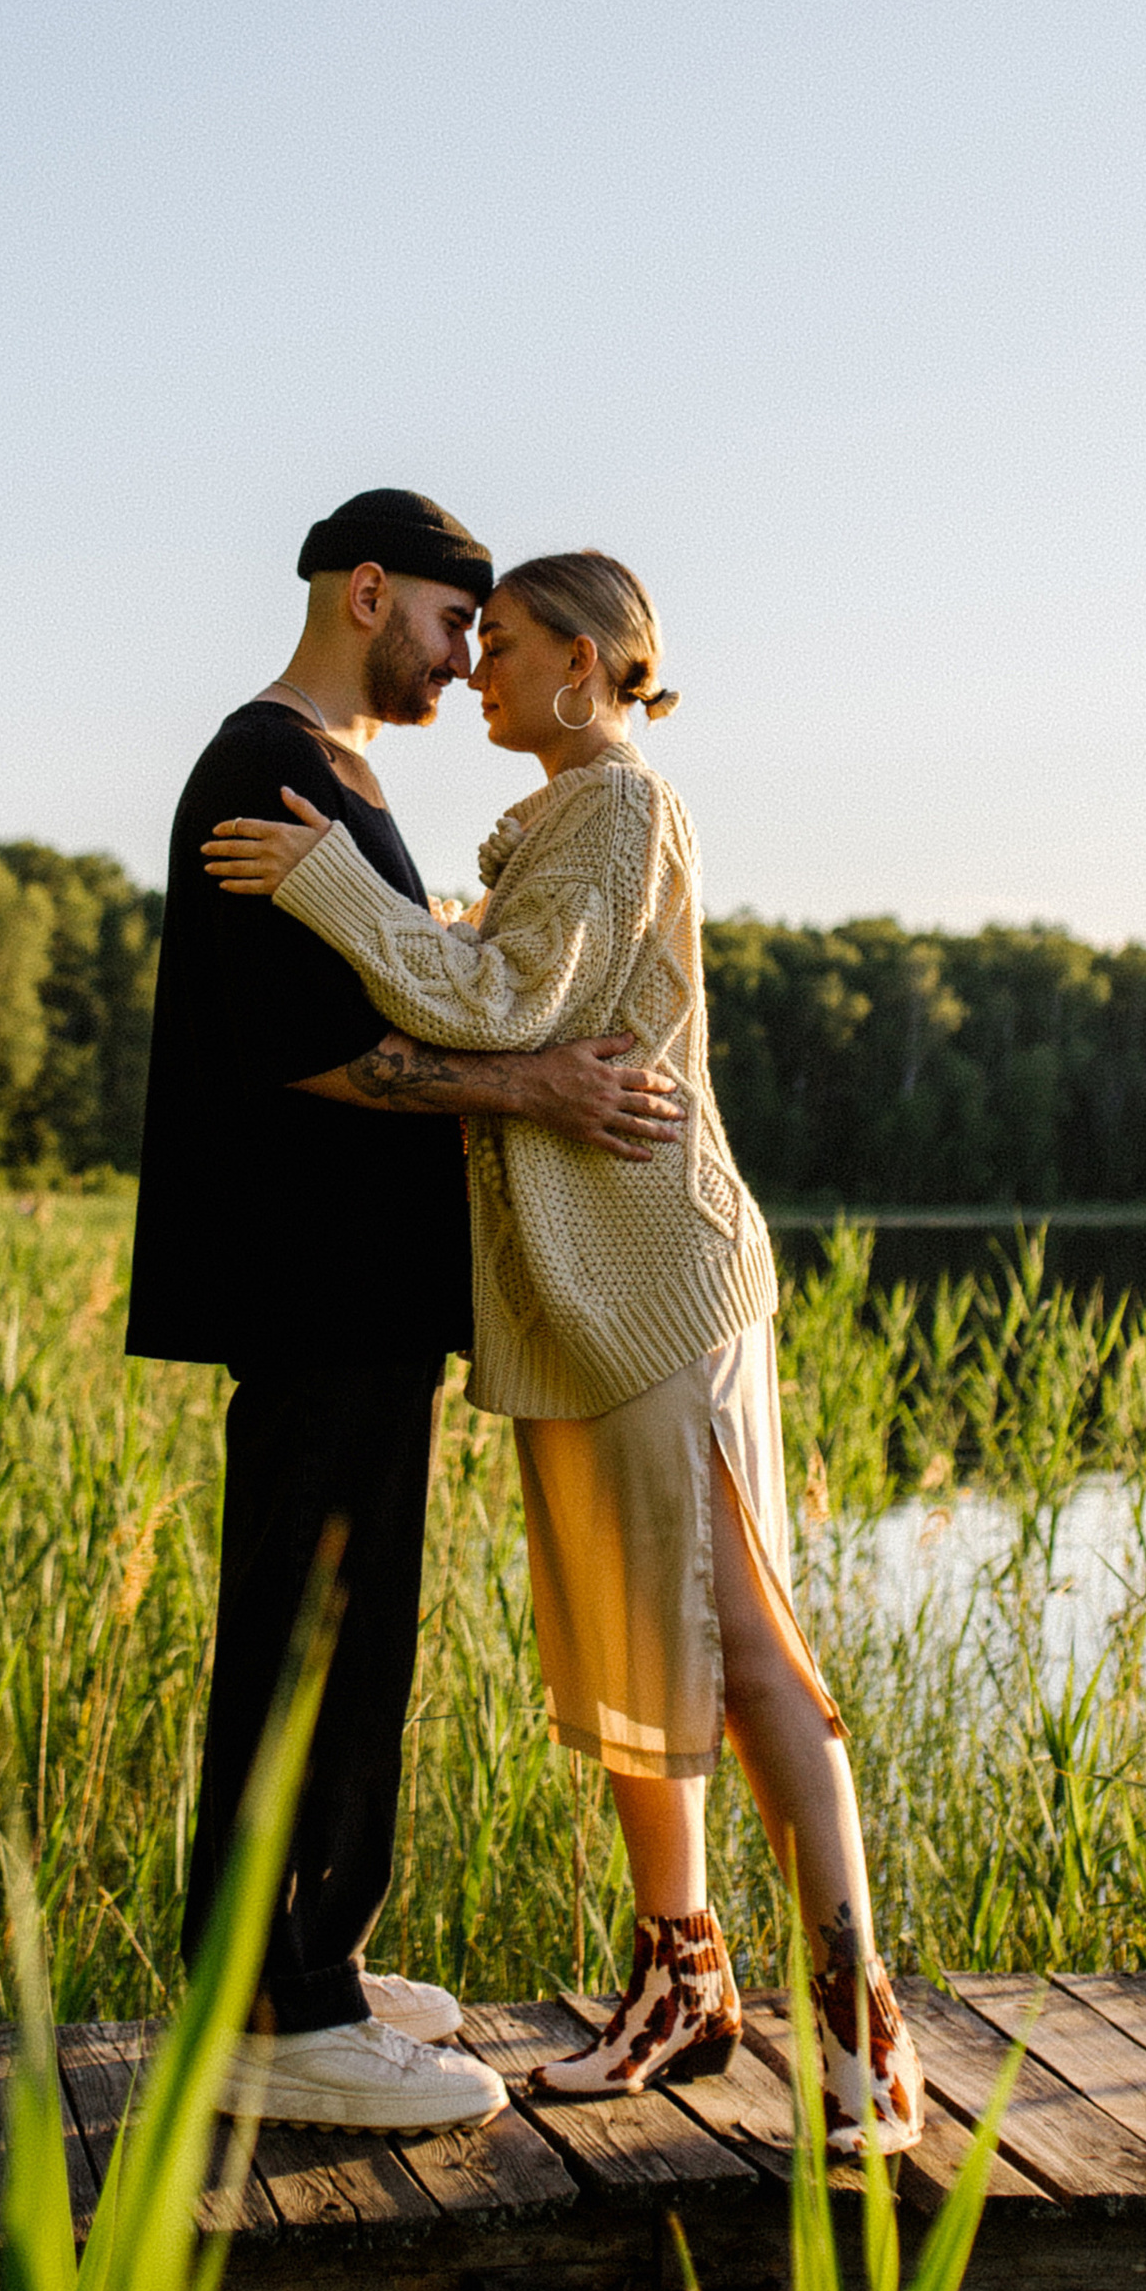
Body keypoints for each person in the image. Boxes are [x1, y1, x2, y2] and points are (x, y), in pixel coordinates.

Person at [205, 549, 925, 2148]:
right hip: (589, 1298)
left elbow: (506, 998)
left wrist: (331, 885)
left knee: (741, 1645)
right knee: (636, 1642)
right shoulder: (565, 816)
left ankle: (865, 2040)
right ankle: (685, 1987)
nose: (480, 671)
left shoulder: (616, 803)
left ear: (590, 665)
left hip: (656, 1281)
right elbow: (516, 987)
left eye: (509, 643)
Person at [129, 489, 686, 2136]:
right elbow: (303, 1050)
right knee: (303, 1635)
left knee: (360, 1637)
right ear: (369, 592)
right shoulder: (267, 768)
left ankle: (317, 1962)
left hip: (366, 1290)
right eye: (455, 623)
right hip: (305, 1280)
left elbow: (399, 985)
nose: (464, 662)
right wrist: (537, 1084)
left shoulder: (345, 778)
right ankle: (271, 2015)